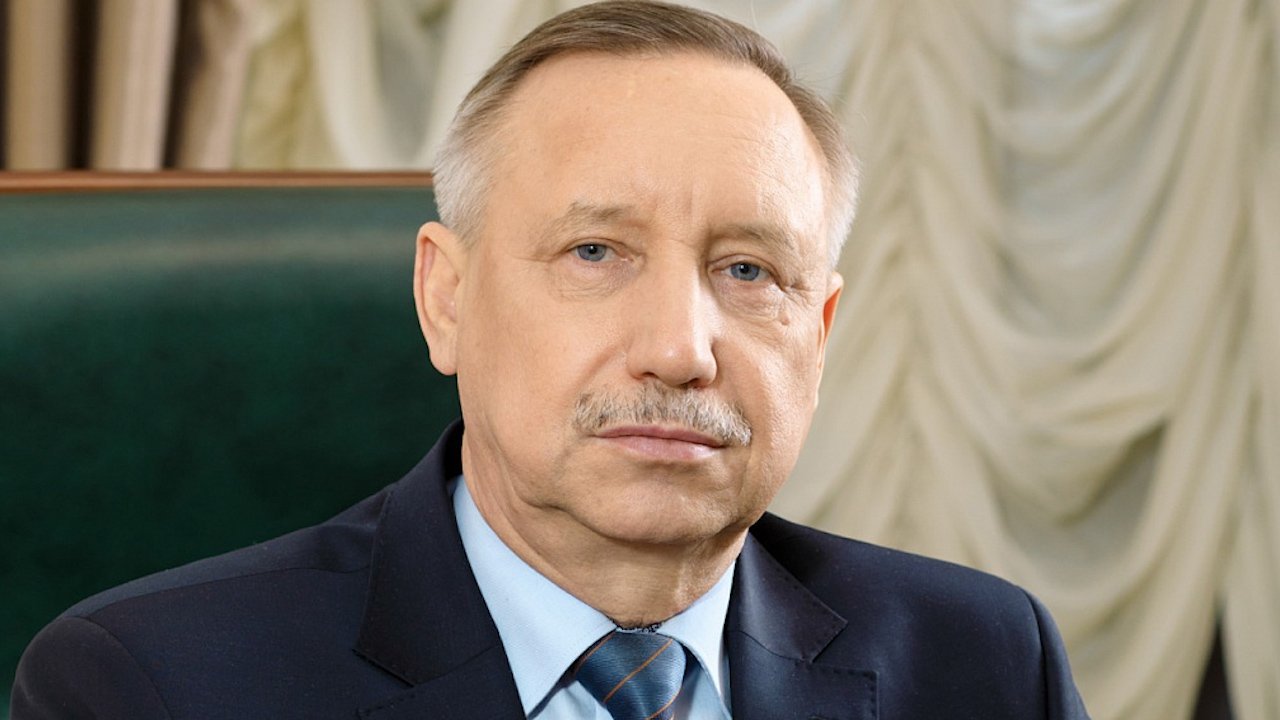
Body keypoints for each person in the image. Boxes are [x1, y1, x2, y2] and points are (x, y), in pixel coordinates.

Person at [12, 2, 1090, 718]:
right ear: (445, 298)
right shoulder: (147, 687)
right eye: (594, 253)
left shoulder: (985, 663)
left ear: (820, 331)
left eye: (749, 271)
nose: (679, 350)